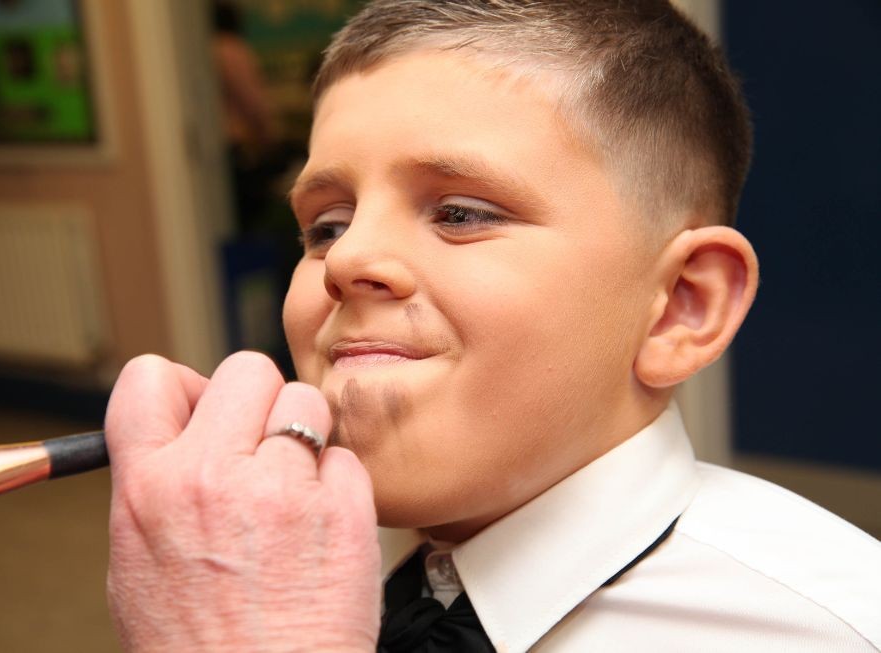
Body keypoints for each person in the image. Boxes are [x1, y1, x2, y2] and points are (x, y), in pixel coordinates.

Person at [104, 1, 881, 651]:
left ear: (682, 305)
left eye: (461, 213)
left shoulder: (828, 628)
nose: (347, 260)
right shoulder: (339, 578)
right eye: (326, 227)